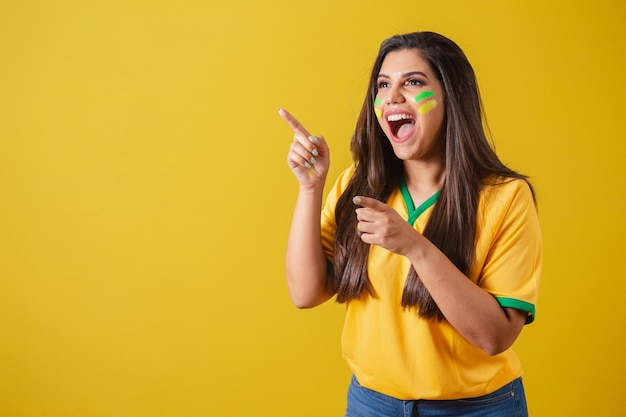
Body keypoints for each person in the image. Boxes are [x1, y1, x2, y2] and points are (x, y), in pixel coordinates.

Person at [278, 31, 542, 417]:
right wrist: (311, 188)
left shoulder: (506, 197)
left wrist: (415, 246)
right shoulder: (358, 183)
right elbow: (305, 293)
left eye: (413, 82)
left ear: (451, 95)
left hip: (476, 409)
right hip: (372, 404)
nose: (392, 97)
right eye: (383, 84)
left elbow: (495, 336)